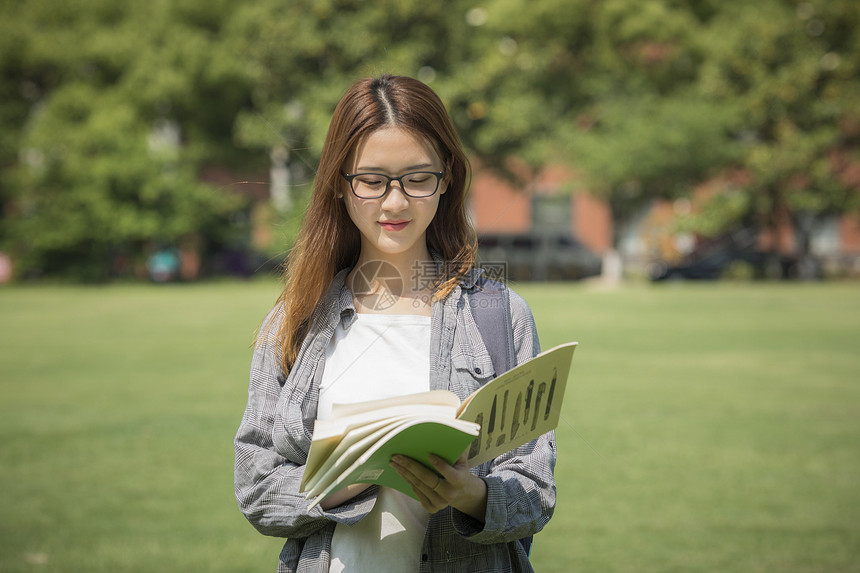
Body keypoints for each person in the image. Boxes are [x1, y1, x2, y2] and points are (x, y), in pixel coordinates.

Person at [234, 75, 556, 573]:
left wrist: (472, 495)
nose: (395, 203)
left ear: (446, 179)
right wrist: (336, 486)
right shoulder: (295, 320)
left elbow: (536, 494)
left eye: (417, 178)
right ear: (339, 184)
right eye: (372, 179)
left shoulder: (499, 313)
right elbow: (255, 487)